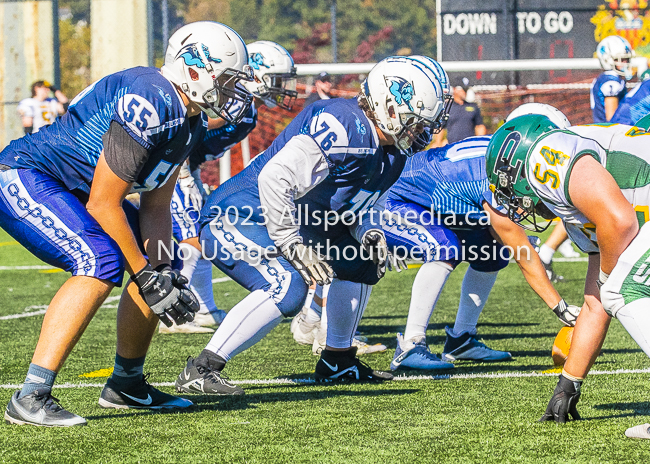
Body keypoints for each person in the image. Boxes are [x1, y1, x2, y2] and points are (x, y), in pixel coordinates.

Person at [1, 21, 253, 427]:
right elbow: (104, 203)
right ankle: (31, 394)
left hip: (76, 191)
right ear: (194, 69)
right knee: (100, 260)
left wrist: (159, 272)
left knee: (160, 267)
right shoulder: (151, 98)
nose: (231, 92)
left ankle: (127, 385)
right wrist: (143, 271)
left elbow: (155, 207)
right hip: (27, 175)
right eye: (226, 80)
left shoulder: (188, 121)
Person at [173, 56, 448, 395]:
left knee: (363, 263)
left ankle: (338, 360)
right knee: (288, 287)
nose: (422, 133)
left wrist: (369, 232)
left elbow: (357, 207)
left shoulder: (391, 152)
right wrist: (291, 241)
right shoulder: (344, 124)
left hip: (301, 219)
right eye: (417, 123)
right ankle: (201, 369)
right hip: (241, 214)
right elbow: (276, 178)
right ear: (389, 106)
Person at [484, 110, 650, 437]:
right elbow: (594, 304)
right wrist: (568, 384)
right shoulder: (576, 205)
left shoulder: (548, 157)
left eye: (514, 186)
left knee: (619, 289)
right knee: (613, 290)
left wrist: (608, 281)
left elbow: (620, 222)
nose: (519, 204)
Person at [383, 104, 580, 371]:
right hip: (393, 198)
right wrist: (560, 307)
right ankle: (410, 345)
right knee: (444, 248)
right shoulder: (497, 171)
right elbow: (522, 253)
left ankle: (461, 339)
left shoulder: (500, 154)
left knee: (493, 253)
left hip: (433, 204)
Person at [160, 40, 297, 334]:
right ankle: (174, 313)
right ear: (258, 75)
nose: (282, 87)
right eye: (276, 80)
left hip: (185, 165)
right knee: (193, 237)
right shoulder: (233, 100)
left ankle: (204, 309)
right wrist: (182, 169)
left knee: (199, 234)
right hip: (172, 164)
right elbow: (184, 122)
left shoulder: (249, 111)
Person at [590, 35, 634, 123]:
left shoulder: (606, 78)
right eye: (620, 60)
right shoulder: (611, 81)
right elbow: (612, 120)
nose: (625, 63)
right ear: (607, 60)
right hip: (608, 133)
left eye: (626, 59)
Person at [434, 77, 486, 146]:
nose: (465, 92)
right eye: (463, 89)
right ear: (455, 89)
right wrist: (438, 143)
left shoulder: (473, 107)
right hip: (452, 146)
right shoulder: (447, 107)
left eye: (466, 89)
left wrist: (480, 143)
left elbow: (480, 126)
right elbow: (440, 127)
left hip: (469, 146)